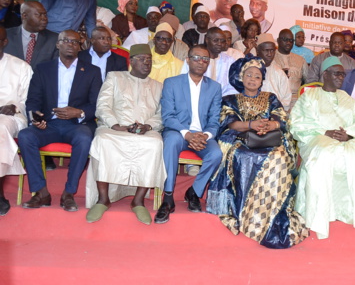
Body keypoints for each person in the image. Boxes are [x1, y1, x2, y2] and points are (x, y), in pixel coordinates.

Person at [206, 57, 308, 248]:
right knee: (242, 156)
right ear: (240, 77)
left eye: (257, 76)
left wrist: (270, 125)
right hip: (241, 140)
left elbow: (282, 119)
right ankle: (248, 212)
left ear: (262, 81)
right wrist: (251, 125)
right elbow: (230, 123)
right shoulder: (229, 99)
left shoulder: (270, 98)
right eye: (249, 75)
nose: (253, 79)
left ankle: (272, 210)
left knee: (279, 157)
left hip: (268, 139)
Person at [290, 57, 355, 239]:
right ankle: (320, 215)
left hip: (346, 139)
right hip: (318, 139)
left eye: (343, 74)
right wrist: (325, 132)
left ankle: (352, 212)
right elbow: (298, 125)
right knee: (325, 156)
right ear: (325, 74)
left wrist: (349, 135)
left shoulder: (346, 98)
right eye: (337, 73)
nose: (341, 77)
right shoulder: (309, 96)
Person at [18, 30, 102, 212]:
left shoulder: (92, 71)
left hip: (77, 125)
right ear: (58, 44)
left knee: (84, 138)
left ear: (80, 46)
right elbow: (32, 100)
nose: (70, 44)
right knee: (25, 136)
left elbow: (96, 105)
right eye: (66, 41)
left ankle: (69, 193)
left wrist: (78, 112)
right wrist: (36, 118)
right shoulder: (43, 69)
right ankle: (41, 192)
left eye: (75, 42)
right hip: (49, 124)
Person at [85, 44, 166, 225]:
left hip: (144, 131)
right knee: (102, 141)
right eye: (143, 59)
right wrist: (115, 125)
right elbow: (103, 105)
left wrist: (147, 126)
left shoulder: (158, 86)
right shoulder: (114, 77)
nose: (147, 63)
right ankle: (103, 199)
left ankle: (138, 201)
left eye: (149, 60)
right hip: (114, 128)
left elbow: (161, 114)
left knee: (154, 144)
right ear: (131, 61)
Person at [154, 45, 223, 224]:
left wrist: (205, 136)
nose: (201, 62)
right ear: (188, 60)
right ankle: (167, 197)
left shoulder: (215, 87)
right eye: (197, 58)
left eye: (205, 59)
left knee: (216, 154)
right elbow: (168, 116)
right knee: (171, 143)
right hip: (178, 132)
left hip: (202, 135)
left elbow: (215, 120)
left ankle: (194, 192)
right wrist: (187, 135)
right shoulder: (172, 83)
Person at [0, 27, 33, 216]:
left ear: (4, 42)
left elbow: (28, 99)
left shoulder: (21, 67)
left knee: (1, 128)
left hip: (9, 116)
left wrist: (14, 106)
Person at [4, 1, 58, 68]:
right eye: (39, 14)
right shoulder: (6, 36)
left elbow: (55, 68)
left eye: (45, 15)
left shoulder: (54, 39)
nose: (44, 18)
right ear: (24, 16)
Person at [197, 28, 238, 95]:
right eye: (216, 40)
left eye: (222, 41)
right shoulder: (196, 60)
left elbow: (234, 86)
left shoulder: (230, 61)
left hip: (223, 100)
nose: (219, 44)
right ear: (207, 40)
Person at [255, 34, 292, 111]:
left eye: (272, 50)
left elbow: (286, 98)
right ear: (257, 51)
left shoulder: (279, 73)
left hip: (275, 114)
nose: (269, 54)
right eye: (266, 50)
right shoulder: (250, 71)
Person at [274, 29, 308, 109]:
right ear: (278, 40)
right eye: (285, 40)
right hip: (276, 98)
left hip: (295, 100)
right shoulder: (271, 57)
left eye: (291, 40)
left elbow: (308, 82)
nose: (288, 43)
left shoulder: (300, 60)